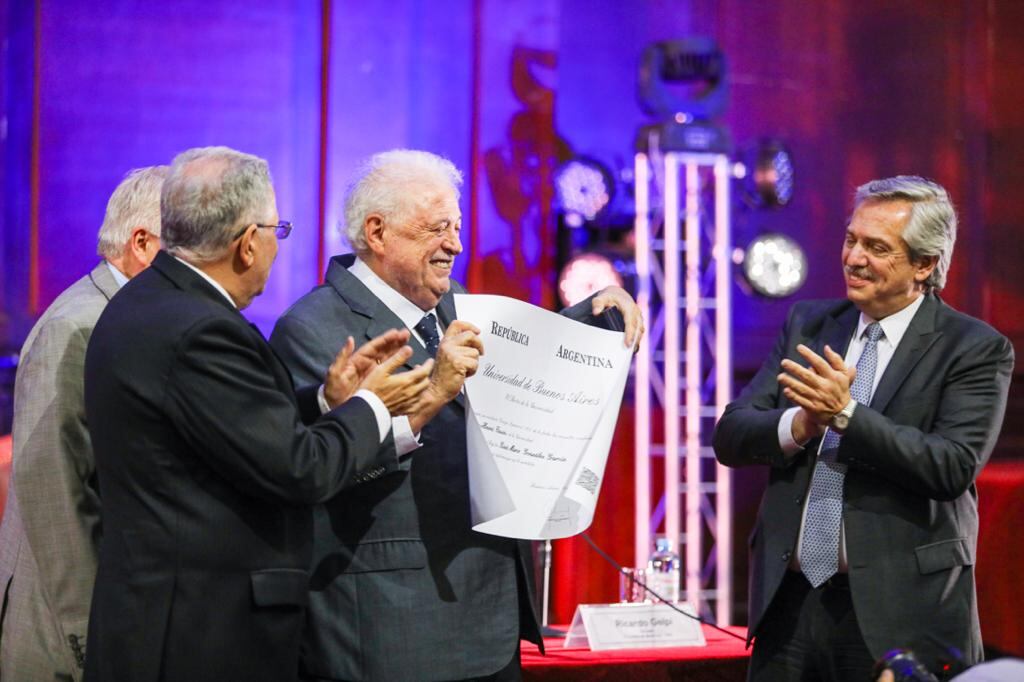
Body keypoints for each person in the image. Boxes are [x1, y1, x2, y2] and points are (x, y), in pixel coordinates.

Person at [269, 148, 643, 681]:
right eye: (438, 228)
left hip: (487, 615)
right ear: (377, 233)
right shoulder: (314, 328)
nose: (456, 245)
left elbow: (517, 365)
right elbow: (324, 469)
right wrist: (436, 392)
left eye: (459, 226)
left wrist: (594, 310)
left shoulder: (455, 303)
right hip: (390, 623)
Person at [82, 146, 433, 682]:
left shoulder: (145, 301)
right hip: (200, 638)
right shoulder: (204, 331)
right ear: (248, 243)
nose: (276, 243)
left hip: (160, 620)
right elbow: (299, 469)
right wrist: (373, 405)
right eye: (278, 229)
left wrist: (324, 401)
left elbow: (218, 427)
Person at [713, 175, 1014, 681]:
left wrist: (847, 415)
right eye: (851, 239)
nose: (853, 258)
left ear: (925, 264)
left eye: (877, 247)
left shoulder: (973, 347)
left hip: (902, 615)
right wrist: (803, 424)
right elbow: (732, 434)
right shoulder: (808, 324)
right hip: (788, 604)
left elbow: (951, 466)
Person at [0, 165, 167, 681]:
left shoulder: (122, 317)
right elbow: (54, 493)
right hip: (62, 633)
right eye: (186, 245)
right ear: (141, 243)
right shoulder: (76, 327)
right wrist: (86, 636)